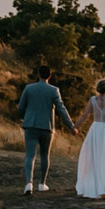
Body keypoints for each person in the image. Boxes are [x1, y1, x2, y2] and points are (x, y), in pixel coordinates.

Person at [17, 64, 74, 192]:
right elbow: (61, 109)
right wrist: (71, 126)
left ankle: (28, 184)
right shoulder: (54, 90)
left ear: (38, 74)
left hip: (30, 125)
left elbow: (20, 107)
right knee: (44, 155)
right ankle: (42, 184)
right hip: (46, 127)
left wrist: (26, 117)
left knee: (30, 155)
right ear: (50, 76)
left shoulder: (28, 88)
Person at [76, 77, 105, 199]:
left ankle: (95, 186)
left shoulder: (92, 100)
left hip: (95, 130)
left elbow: (84, 115)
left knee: (93, 158)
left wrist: (74, 126)